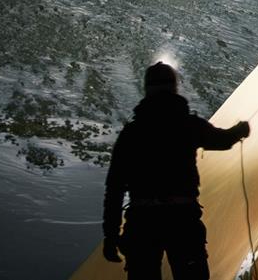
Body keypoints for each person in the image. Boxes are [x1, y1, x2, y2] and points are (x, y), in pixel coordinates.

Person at [102, 61, 250, 279]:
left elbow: (114, 189)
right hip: (182, 220)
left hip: (142, 223)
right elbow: (222, 140)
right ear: (174, 87)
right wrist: (240, 130)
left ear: (147, 89)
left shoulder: (131, 134)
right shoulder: (188, 125)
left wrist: (111, 237)